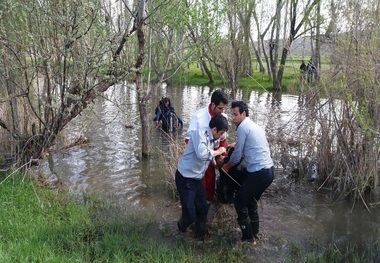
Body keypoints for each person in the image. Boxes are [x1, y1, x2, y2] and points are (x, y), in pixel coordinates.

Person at [222, 101, 274, 242]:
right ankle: (255, 234)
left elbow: (237, 156)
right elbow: (249, 146)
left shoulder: (243, 127)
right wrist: (235, 145)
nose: (233, 118)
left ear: (243, 114)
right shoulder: (253, 125)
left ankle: (247, 240)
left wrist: (226, 166)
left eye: (235, 115)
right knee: (251, 202)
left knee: (239, 201)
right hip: (269, 172)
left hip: (259, 173)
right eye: (232, 114)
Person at [176, 115, 228, 241]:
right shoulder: (199, 134)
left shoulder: (212, 138)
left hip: (197, 179)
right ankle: (180, 228)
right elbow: (202, 154)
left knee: (202, 208)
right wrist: (220, 151)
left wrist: (217, 164)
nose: (221, 137)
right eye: (221, 133)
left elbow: (208, 157)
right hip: (186, 179)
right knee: (190, 216)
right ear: (214, 129)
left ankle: (200, 238)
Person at [185, 89, 229, 202]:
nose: (222, 111)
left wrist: (221, 156)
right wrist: (207, 155)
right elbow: (188, 140)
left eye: (223, 108)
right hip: (199, 156)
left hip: (214, 154)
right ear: (213, 104)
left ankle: (207, 205)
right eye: (220, 108)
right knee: (199, 183)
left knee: (210, 182)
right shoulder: (198, 117)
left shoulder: (224, 117)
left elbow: (223, 140)